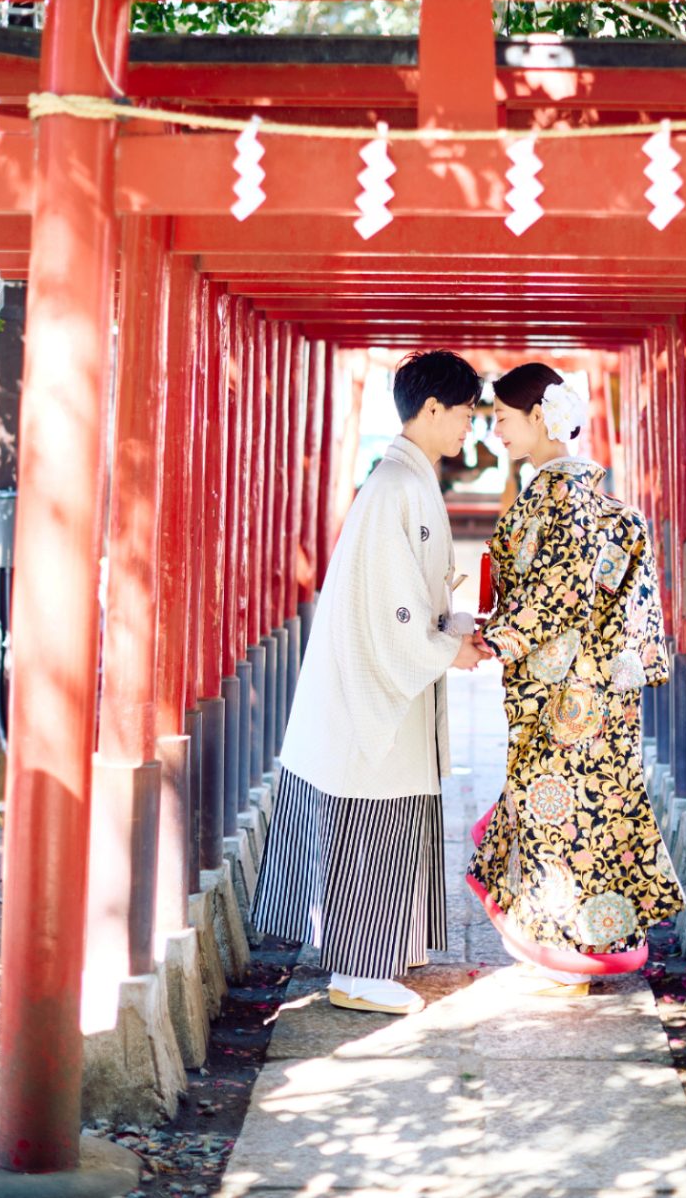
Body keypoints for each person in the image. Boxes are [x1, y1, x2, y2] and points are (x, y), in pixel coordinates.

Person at [253, 350, 487, 1017]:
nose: (469, 426)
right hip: (373, 689)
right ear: (433, 408)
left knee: (386, 821)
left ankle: (381, 955)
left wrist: (450, 634)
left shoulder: (403, 481)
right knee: (371, 824)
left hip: (381, 680)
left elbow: (407, 598)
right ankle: (358, 970)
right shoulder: (397, 487)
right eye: (466, 412)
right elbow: (396, 610)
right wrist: (446, 648)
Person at [466, 363, 685, 996]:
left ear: (539, 415)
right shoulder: (593, 498)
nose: (497, 431)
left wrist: (494, 640)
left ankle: (571, 956)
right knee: (590, 816)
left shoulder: (559, 497)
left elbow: (560, 594)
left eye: (503, 418)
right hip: (598, 691)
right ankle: (587, 947)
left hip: (569, 696)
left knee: (561, 819)